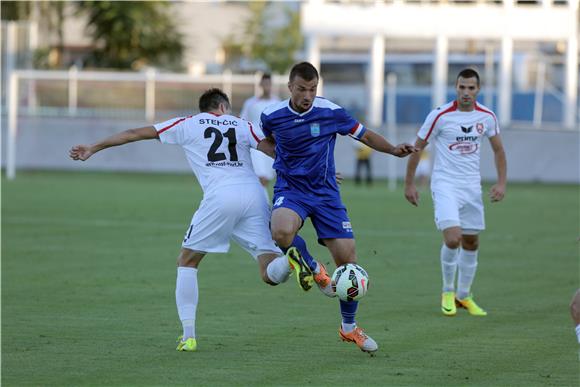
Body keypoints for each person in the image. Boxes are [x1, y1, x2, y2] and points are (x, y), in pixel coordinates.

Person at [69, 88, 325, 352]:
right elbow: (278, 152)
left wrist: (94, 147)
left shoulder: (187, 123)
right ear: (224, 107)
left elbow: (135, 133)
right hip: (254, 195)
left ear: (204, 108)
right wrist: (317, 172)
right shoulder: (241, 124)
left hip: (220, 196)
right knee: (268, 269)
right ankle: (289, 259)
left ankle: (188, 335)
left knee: (187, 261)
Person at [260, 62, 416, 354]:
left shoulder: (331, 112)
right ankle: (315, 268)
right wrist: (284, 162)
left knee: (349, 263)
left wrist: (394, 149)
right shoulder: (272, 115)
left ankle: (349, 328)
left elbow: (365, 135)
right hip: (292, 190)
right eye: (302, 89)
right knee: (280, 231)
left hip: (326, 195)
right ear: (290, 87)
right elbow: (267, 141)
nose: (307, 95)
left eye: (313, 89)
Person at [404, 68, 507, 317]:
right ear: (456, 87)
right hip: (445, 185)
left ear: (478, 90)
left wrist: (501, 183)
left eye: (471, 88)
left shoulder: (487, 117)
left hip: (472, 187)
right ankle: (447, 291)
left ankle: (464, 295)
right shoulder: (440, 116)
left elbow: (499, 151)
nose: (466, 93)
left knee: (471, 241)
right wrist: (409, 183)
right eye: (462, 87)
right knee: (453, 238)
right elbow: (417, 148)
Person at [240, 73, 280, 201]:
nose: (267, 86)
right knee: (260, 178)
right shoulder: (250, 103)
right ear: (261, 85)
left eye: (269, 83)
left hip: (272, 145)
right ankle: (264, 208)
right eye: (265, 83)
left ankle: (256, 205)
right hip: (256, 146)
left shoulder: (277, 103)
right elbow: (242, 122)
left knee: (266, 179)